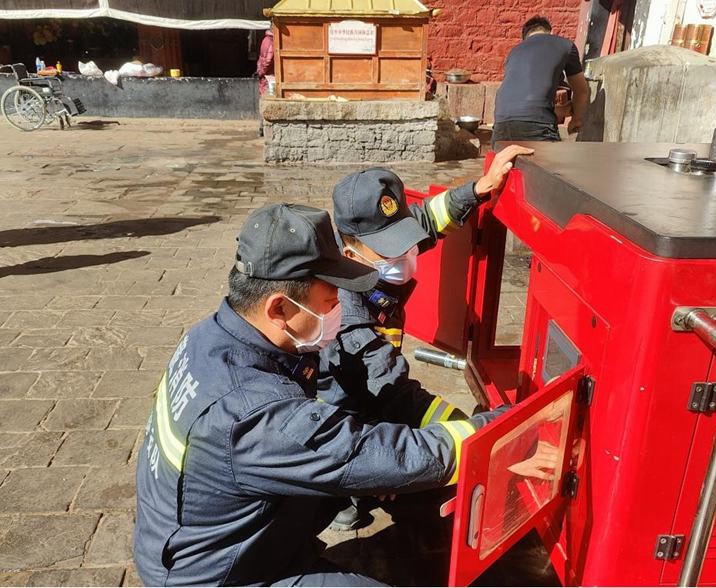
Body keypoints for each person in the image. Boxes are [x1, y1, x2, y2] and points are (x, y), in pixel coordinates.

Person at [133, 204, 510, 586]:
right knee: (388, 467)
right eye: (331, 303)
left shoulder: (212, 336)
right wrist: (501, 432)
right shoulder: (254, 412)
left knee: (385, 474)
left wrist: (377, 474)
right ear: (279, 307)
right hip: (220, 574)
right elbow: (376, 453)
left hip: (209, 529)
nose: (339, 311)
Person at [319, 145, 533, 530]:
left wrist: (479, 189)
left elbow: (427, 218)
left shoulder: (369, 249)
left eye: (405, 242)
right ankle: (339, 495)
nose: (406, 255)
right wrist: (483, 433)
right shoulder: (347, 319)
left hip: (375, 383)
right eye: (390, 251)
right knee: (379, 452)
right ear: (350, 253)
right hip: (340, 409)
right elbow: (398, 398)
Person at [492, 15, 591, 150]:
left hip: (501, 124)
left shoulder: (514, 52)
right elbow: (581, 91)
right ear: (550, 32)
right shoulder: (565, 45)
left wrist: (564, 110)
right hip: (537, 127)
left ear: (525, 37)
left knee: (505, 164)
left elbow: (525, 105)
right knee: (548, 164)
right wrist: (576, 119)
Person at [256, 29, 274, 137]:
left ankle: (261, 128)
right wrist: (263, 71)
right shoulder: (271, 42)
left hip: (264, 76)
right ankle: (265, 128)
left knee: (263, 99)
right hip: (269, 76)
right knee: (268, 100)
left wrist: (260, 71)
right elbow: (268, 60)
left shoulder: (265, 40)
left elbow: (262, 59)